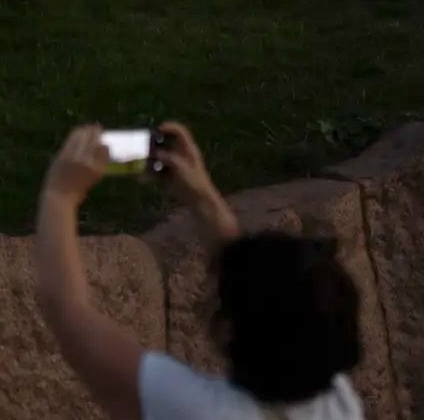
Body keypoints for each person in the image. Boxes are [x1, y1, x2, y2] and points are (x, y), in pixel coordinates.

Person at [34, 122, 366, 420]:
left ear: (228, 330)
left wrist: (61, 194)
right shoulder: (337, 401)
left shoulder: (199, 411)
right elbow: (260, 290)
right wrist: (201, 196)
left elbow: (66, 310)